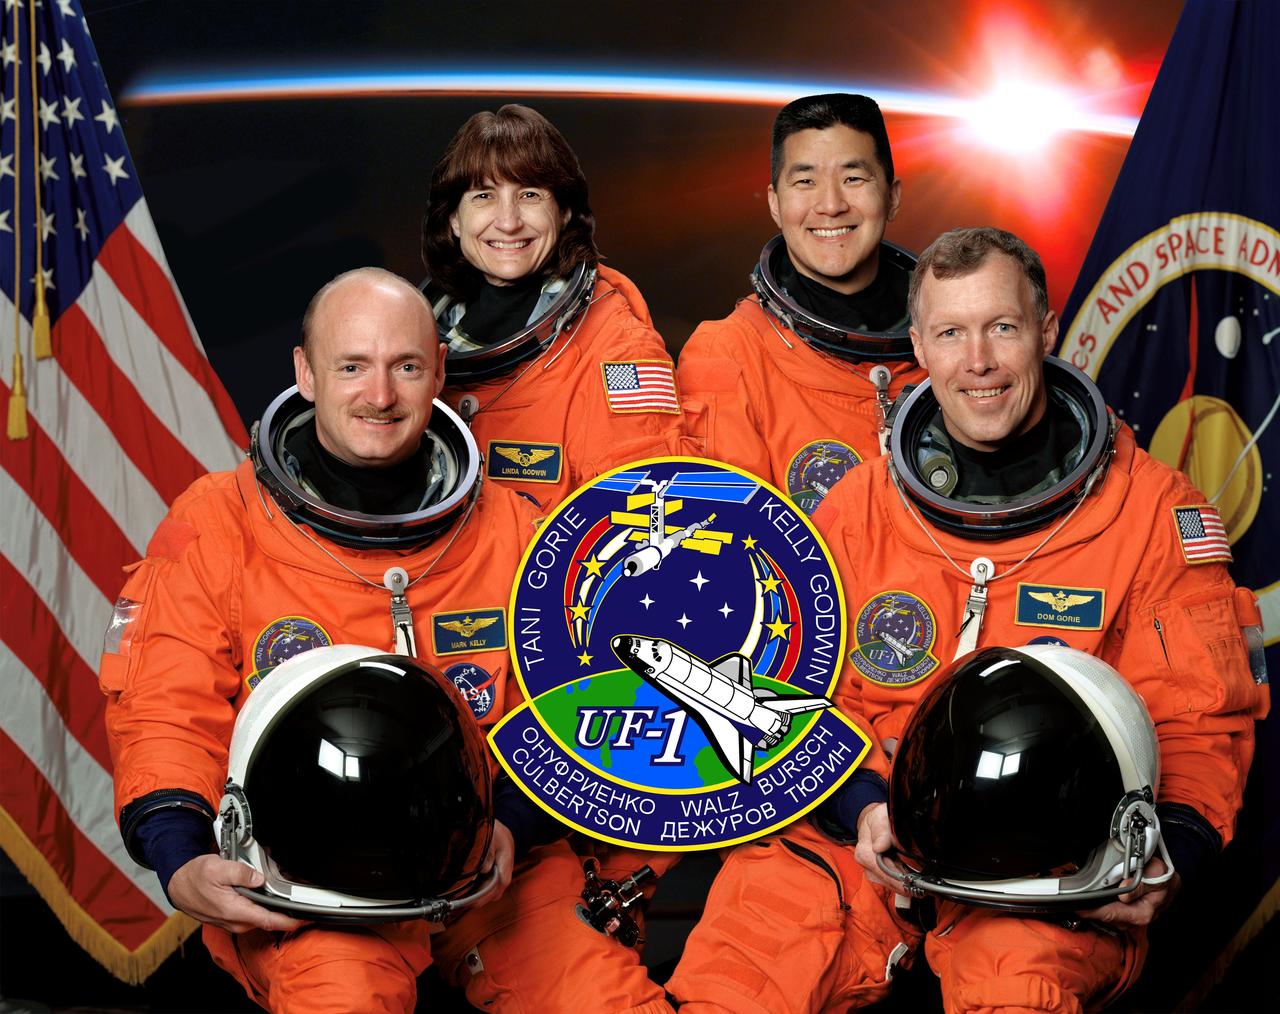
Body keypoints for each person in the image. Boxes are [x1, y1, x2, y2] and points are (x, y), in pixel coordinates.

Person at [665, 228, 1268, 1013]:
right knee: (739, 982)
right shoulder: (860, 509)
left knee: (1018, 990)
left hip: (1046, 857)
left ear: (1047, 330)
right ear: (918, 344)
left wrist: (1169, 854)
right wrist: (860, 805)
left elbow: (1198, 716)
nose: (976, 361)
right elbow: (791, 690)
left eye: (1002, 328)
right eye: (950, 332)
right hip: (864, 828)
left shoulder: (1152, 511)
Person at [100, 267, 674, 1014]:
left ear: (439, 370)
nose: (380, 395)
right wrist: (178, 854)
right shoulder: (221, 524)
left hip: (497, 871)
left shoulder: (514, 532)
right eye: (352, 366)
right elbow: (164, 706)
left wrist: (517, 825)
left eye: (405, 366)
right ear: (305, 373)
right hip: (311, 885)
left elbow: (585, 708)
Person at [422, 103, 689, 512]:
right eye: (483, 196)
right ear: (454, 220)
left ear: (564, 211)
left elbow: (642, 510)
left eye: (529, 194)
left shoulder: (617, 350)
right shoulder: (411, 346)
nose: (508, 222)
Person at [677, 93, 926, 515]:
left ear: (892, 196)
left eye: (854, 179)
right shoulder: (730, 355)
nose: (830, 205)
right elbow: (729, 540)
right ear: (775, 203)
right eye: (805, 181)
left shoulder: (957, 347)